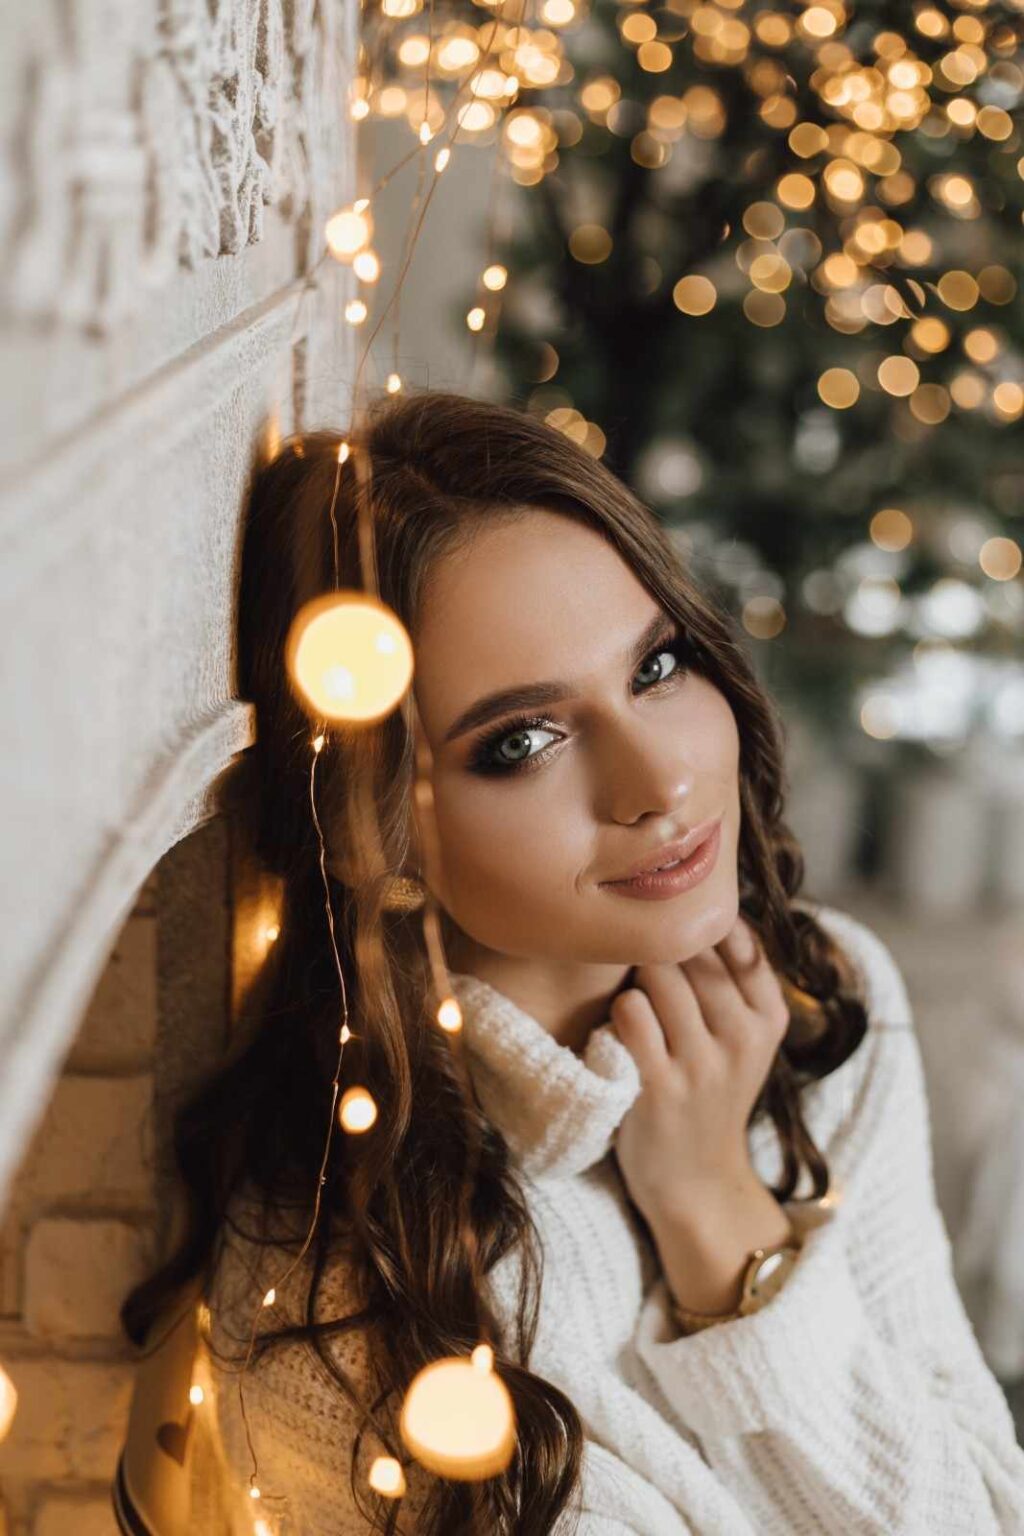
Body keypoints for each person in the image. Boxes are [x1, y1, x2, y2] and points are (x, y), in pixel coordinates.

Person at [119, 389, 1024, 1535]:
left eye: (654, 667)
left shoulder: (815, 1000)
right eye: (524, 742)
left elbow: (986, 1507)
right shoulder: (348, 1310)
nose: (660, 783)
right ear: (370, 828)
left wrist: (719, 1209)